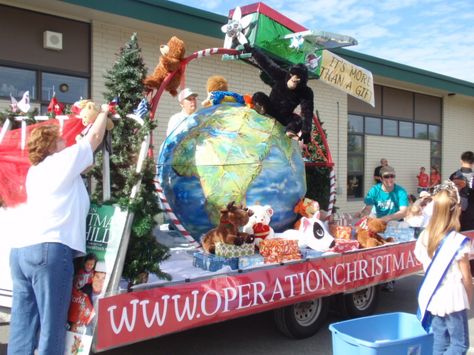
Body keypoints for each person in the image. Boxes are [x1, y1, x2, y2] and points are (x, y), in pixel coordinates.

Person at [8, 103, 109, 355]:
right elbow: (95, 138)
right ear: (52, 146)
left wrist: (81, 140)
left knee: (23, 321)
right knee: (52, 325)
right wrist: (105, 111)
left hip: (21, 251)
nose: (65, 141)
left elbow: (84, 160)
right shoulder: (61, 162)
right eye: (60, 140)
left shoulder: (37, 170)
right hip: (49, 250)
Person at [415, 181, 472, 354]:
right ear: (456, 209)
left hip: (434, 295)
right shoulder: (457, 241)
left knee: (440, 342)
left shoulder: (425, 235)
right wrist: (469, 298)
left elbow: (421, 258)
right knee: (459, 345)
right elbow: (467, 278)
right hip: (454, 297)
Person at [243, 43, 314, 144]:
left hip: (284, 117)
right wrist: (251, 50)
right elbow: (267, 63)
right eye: (292, 78)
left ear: (302, 82)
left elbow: (307, 112)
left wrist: (306, 132)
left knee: (298, 120)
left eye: (297, 81)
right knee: (258, 95)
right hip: (269, 107)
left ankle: (290, 131)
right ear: (289, 74)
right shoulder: (281, 75)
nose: (293, 82)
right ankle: (261, 109)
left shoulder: (306, 91)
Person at [449, 151, 474, 231]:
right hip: (471, 215)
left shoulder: (453, 176)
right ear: (473, 162)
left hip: (455, 214)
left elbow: (449, 195)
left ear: (461, 161)